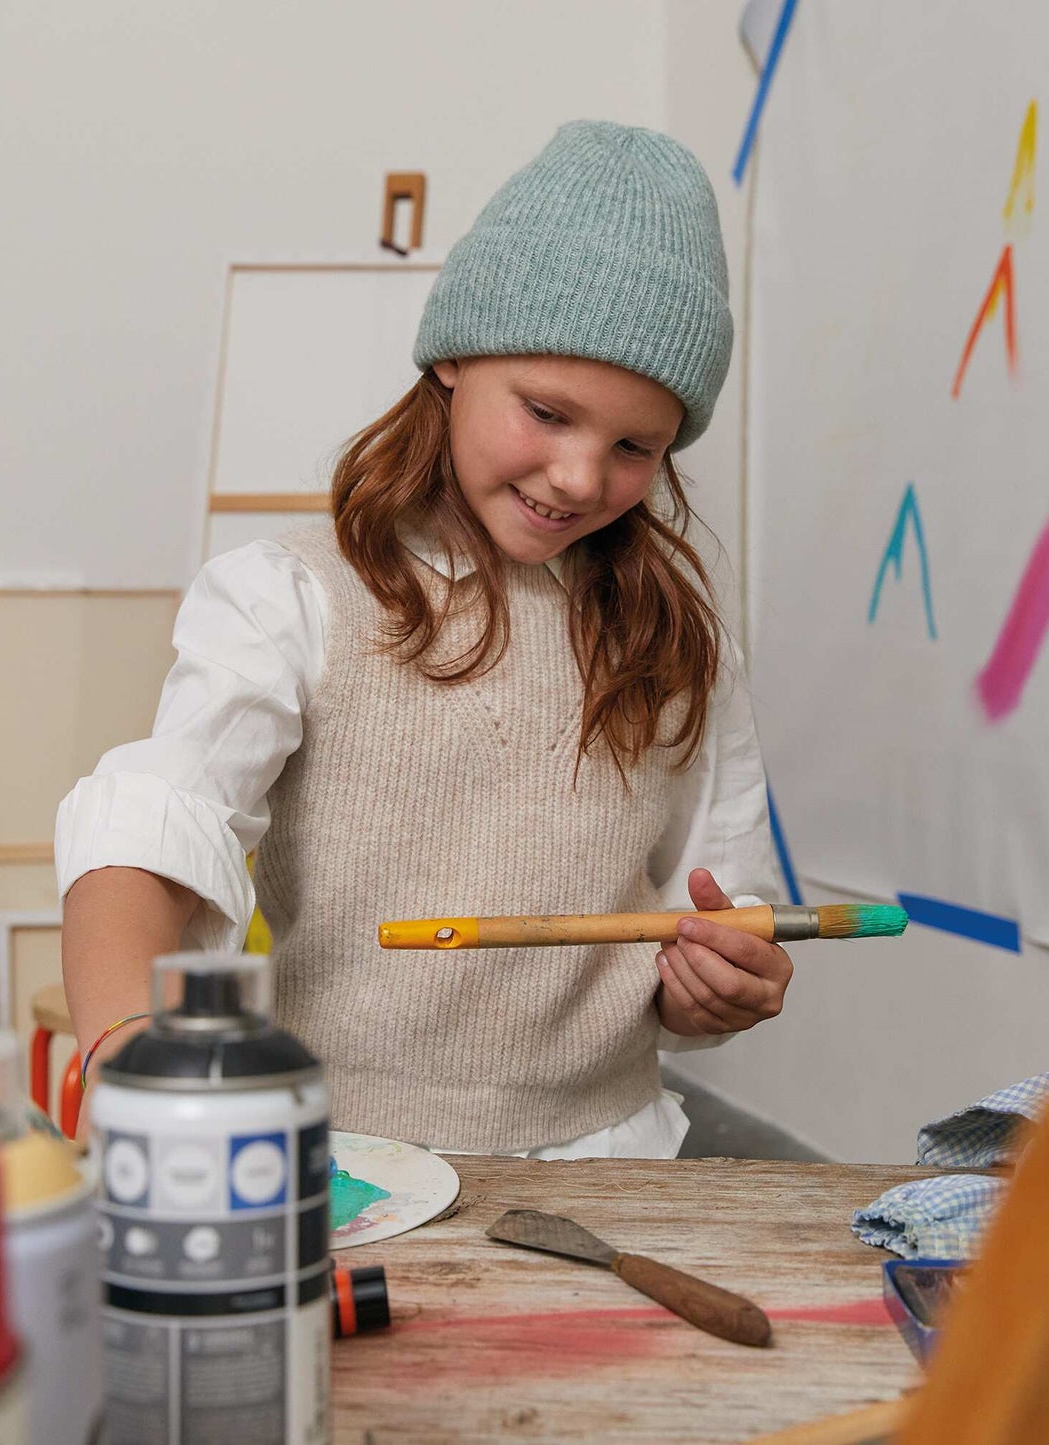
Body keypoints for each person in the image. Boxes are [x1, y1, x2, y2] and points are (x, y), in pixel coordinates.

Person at [58, 120, 789, 1157]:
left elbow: (711, 913)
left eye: (635, 446)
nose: (581, 477)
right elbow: (153, 834)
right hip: (346, 1166)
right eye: (545, 412)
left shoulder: (675, 639)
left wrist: (713, 986)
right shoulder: (288, 599)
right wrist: (130, 1048)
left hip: (612, 1164)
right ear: (451, 357)